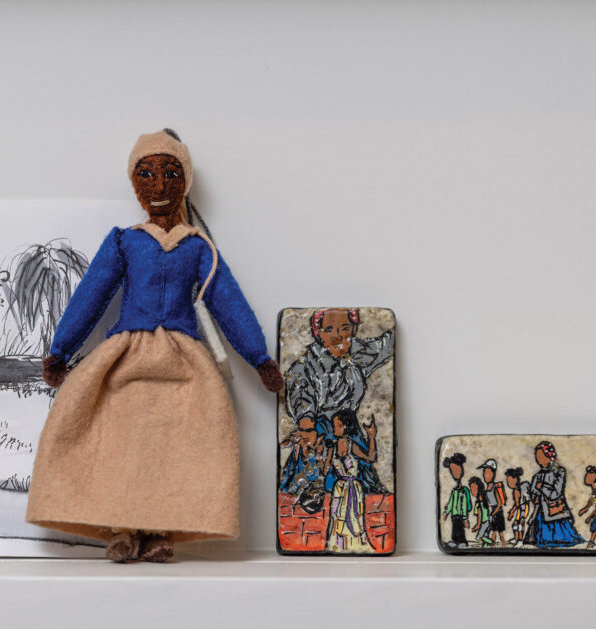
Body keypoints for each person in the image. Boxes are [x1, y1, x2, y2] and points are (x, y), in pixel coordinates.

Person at [27, 130, 285, 563]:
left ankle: (162, 530)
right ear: (135, 183)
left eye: (171, 174)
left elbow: (227, 301)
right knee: (120, 444)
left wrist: (258, 357)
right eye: (146, 175)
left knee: (176, 449)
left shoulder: (198, 248)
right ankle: (122, 529)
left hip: (184, 362)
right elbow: (91, 293)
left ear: (185, 181)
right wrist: (62, 348)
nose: (159, 185)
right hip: (124, 358)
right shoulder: (124, 241)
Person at [284, 308, 393, 495]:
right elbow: (302, 399)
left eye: (345, 328)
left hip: (349, 430)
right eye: (329, 329)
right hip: (320, 434)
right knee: (315, 488)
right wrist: (308, 429)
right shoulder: (306, 366)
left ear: (354, 329)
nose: (338, 335)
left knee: (365, 487)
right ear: (317, 333)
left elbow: (386, 346)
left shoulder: (357, 355)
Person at [325, 413, 376, 553]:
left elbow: (371, 457)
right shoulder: (333, 447)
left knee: (355, 518)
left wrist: (371, 437)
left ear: (345, 427)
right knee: (336, 517)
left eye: (337, 425)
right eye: (334, 425)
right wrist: (323, 457)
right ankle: (337, 546)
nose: (334, 429)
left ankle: (354, 546)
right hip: (339, 488)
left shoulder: (351, 446)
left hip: (353, 488)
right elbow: (325, 469)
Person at [529, 441, 584, 548]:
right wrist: (535, 497)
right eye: (537, 456)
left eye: (541, 456)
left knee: (561, 541)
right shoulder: (537, 476)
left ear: (549, 455)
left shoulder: (559, 471)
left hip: (556, 513)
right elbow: (533, 491)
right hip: (541, 514)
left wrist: (542, 487)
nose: (538, 459)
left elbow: (555, 494)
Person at [441, 453, 471, 549]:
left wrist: (465, 518)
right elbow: (450, 503)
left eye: (457, 470)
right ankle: (455, 541)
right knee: (454, 530)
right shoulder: (454, 491)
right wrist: (446, 512)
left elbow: (465, 505)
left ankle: (462, 542)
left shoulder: (464, 490)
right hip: (454, 515)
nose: (455, 473)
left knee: (460, 530)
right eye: (453, 471)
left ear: (462, 470)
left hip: (460, 515)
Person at [478, 459, 507, 547]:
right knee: (493, 532)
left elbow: (499, 503)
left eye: (488, 473)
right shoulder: (486, 489)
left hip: (498, 512)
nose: (486, 475)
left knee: (501, 533)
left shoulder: (495, 488)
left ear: (493, 474)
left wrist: (493, 513)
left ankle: (504, 546)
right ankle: (492, 547)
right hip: (493, 511)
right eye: (485, 473)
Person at [505, 468, 529, 547]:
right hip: (520, 508)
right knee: (515, 523)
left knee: (520, 524)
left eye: (510, 481)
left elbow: (517, 503)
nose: (508, 483)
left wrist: (511, 512)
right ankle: (516, 539)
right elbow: (516, 503)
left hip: (524, 508)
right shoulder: (516, 489)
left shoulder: (518, 489)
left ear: (515, 479)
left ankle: (520, 540)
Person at [468, 476, 490, 547]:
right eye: (471, 489)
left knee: (479, 538)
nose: (472, 491)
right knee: (484, 536)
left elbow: (480, 514)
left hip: (484, 522)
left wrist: (478, 525)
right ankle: (486, 546)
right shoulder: (482, 500)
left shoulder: (480, 502)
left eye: (474, 489)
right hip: (486, 522)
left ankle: (491, 542)